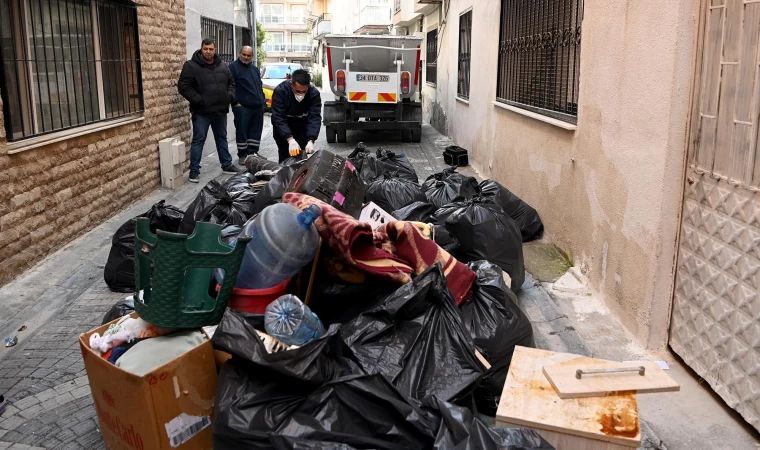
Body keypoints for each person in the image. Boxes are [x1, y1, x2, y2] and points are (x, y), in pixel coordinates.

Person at [178, 39, 243, 183]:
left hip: (220, 110)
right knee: (198, 140)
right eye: (206, 48)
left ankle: (227, 165)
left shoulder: (223, 66)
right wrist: (199, 100)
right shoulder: (191, 66)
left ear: (215, 50)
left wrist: (229, 97)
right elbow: (183, 86)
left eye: (211, 49)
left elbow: (231, 84)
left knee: (222, 138)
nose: (208, 51)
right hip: (201, 112)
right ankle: (194, 171)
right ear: (201, 49)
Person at [270, 69, 322, 163]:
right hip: (284, 126)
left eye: (304, 91)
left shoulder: (313, 94)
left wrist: (311, 140)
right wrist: (289, 139)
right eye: (298, 91)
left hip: (302, 126)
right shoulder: (280, 91)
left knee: (302, 158)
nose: (301, 94)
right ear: (291, 85)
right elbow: (278, 117)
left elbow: (314, 117)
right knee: (285, 156)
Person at [229, 46, 266, 165]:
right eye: (244, 54)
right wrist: (235, 102)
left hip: (257, 105)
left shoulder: (254, 69)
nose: (246, 57)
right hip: (242, 106)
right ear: (239, 53)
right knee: (242, 131)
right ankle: (243, 155)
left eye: (248, 55)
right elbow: (229, 86)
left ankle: (253, 153)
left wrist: (262, 99)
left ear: (252, 56)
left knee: (255, 130)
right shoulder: (233, 67)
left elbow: (259, 85)